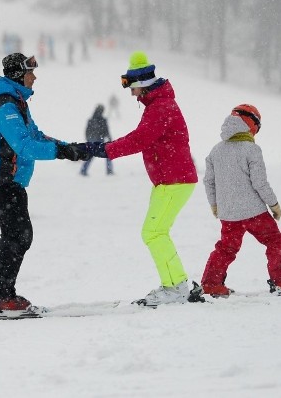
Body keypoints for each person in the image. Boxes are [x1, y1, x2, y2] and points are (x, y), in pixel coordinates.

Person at [72, 52, 199, 306]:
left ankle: (175, 287)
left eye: (131, 88)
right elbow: (142, 138)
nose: (131, 94)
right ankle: (177, 284)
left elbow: (139, 140)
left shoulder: (161, 107)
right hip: (171, 180)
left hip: (174, 181)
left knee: (153, 232)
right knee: (155, 232)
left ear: (141, 84)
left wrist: (102, 149)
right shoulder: (159, 105)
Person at [0, 53, 83, 313]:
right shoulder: (5, 105)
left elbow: (34, 135)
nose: (35, 77)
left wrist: (67, 147)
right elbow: (23, 145)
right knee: (19, 237)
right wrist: (60, 153)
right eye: (30, 72)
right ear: (18, 75)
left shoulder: (16, 101)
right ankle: (1, 296)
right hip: (3, 178)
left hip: (9, 179)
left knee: (12, 237)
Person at [200, 105, 281, 296]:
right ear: (251, 125)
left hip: (229, 214)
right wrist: (274, 204)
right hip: (255, 213)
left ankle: (211, 284)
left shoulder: (216, 150)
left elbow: (209, 181)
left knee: (226, 248)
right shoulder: (251, 150)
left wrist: (214, 204)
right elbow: (260, 183)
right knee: (276, 242)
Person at [80, 104, 113, 177]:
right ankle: (109, 170)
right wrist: (109, 138)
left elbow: (87, 131)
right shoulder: (103, 120)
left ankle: (83, 170)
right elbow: (106, 131)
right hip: (100, 140)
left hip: (92, 140)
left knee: (90, 156)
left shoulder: (91, 120)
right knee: (107, 154)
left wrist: (88, 139)